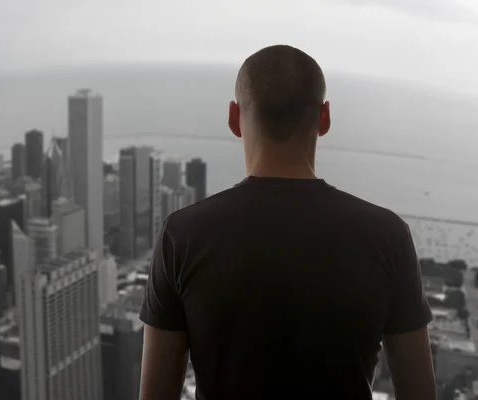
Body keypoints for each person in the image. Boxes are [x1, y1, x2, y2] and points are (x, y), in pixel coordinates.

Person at [138, 45, 437, 400]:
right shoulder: (389, 236)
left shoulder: (182, 236)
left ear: (234, 119)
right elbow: (420, 393)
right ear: (324, 119)